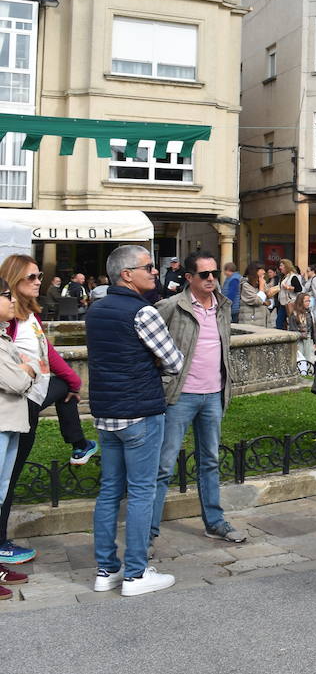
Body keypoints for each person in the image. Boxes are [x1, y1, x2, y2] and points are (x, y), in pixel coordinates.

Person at [87, 245, 182, 596]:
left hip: (107, 412)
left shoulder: (95, 311)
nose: (155, 271)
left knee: (110, 490)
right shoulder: (144, 312)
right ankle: (136, 573)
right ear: (126, 274)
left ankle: (106, 569)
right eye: (148, 267)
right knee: (142, 491)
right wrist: (153, 364)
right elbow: (173, 361)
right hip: (140, 413)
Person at [0, 256, 98, 568]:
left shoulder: (28, 313)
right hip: (17, 400)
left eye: (39, 275)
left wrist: (71, 378)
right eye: (32, 277)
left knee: (8, 476)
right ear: (14, 281)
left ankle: (79, 444)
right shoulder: (11, 318)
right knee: (7, 477)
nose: (38, 280)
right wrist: (67, 379)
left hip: (29, 396)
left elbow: (47, 352)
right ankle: (1, 543)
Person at [150, 251, 247, 546]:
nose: (211, 279)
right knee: (164, 466)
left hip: (214, 395)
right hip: (180, 396)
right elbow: (147, 341)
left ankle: (214, 522)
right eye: (204, 274)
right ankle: (148, 533)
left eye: (214, 273)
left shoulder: (223, 307)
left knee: (210, 461)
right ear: (189, 278)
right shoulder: (169, 306)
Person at [0, 280, 37, 599]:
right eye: (6, 296)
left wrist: (25, 369)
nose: (13, 301)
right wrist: (26, 371)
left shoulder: (3, 335)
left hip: (10, 423)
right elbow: (16, 380)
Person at [238, 262, 274, 328]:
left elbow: (269, 300)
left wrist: (268, 301)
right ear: (255, 271)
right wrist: (261, 286)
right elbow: (257, 300)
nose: (264, 272)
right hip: (251, 323)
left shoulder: (261, 282)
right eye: (262, 269)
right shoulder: (246, 285)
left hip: (263, 322)